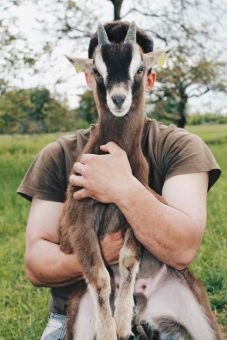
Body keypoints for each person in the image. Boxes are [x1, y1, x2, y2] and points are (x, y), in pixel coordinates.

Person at [17, 21, 221, 340]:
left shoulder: (181, 147)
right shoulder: (57, 154)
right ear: (90, 76)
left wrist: (122, 187)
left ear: (149, 75)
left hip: (161, 294)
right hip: (82, 302)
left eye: (135, 72)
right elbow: (37, 265)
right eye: (102, 73)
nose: (119, 88)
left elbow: (181, 248)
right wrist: (100, 254)